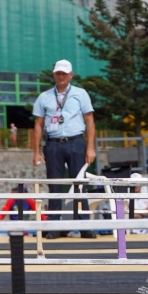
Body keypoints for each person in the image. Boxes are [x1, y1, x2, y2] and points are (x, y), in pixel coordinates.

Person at [32, 59, 97, 239]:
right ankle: (55, 226)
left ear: (70, 75)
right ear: (54, 75)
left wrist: (90, 147)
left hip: (76, 141)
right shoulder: (44, 97)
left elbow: (90, 120)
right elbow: (38, 124)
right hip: (53, 143)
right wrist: (36, 151)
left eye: (64, 73)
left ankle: (84, 225)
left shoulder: (80, 94)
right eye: (57, 73)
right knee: (54, 185)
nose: (60, 76)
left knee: (80, 184)